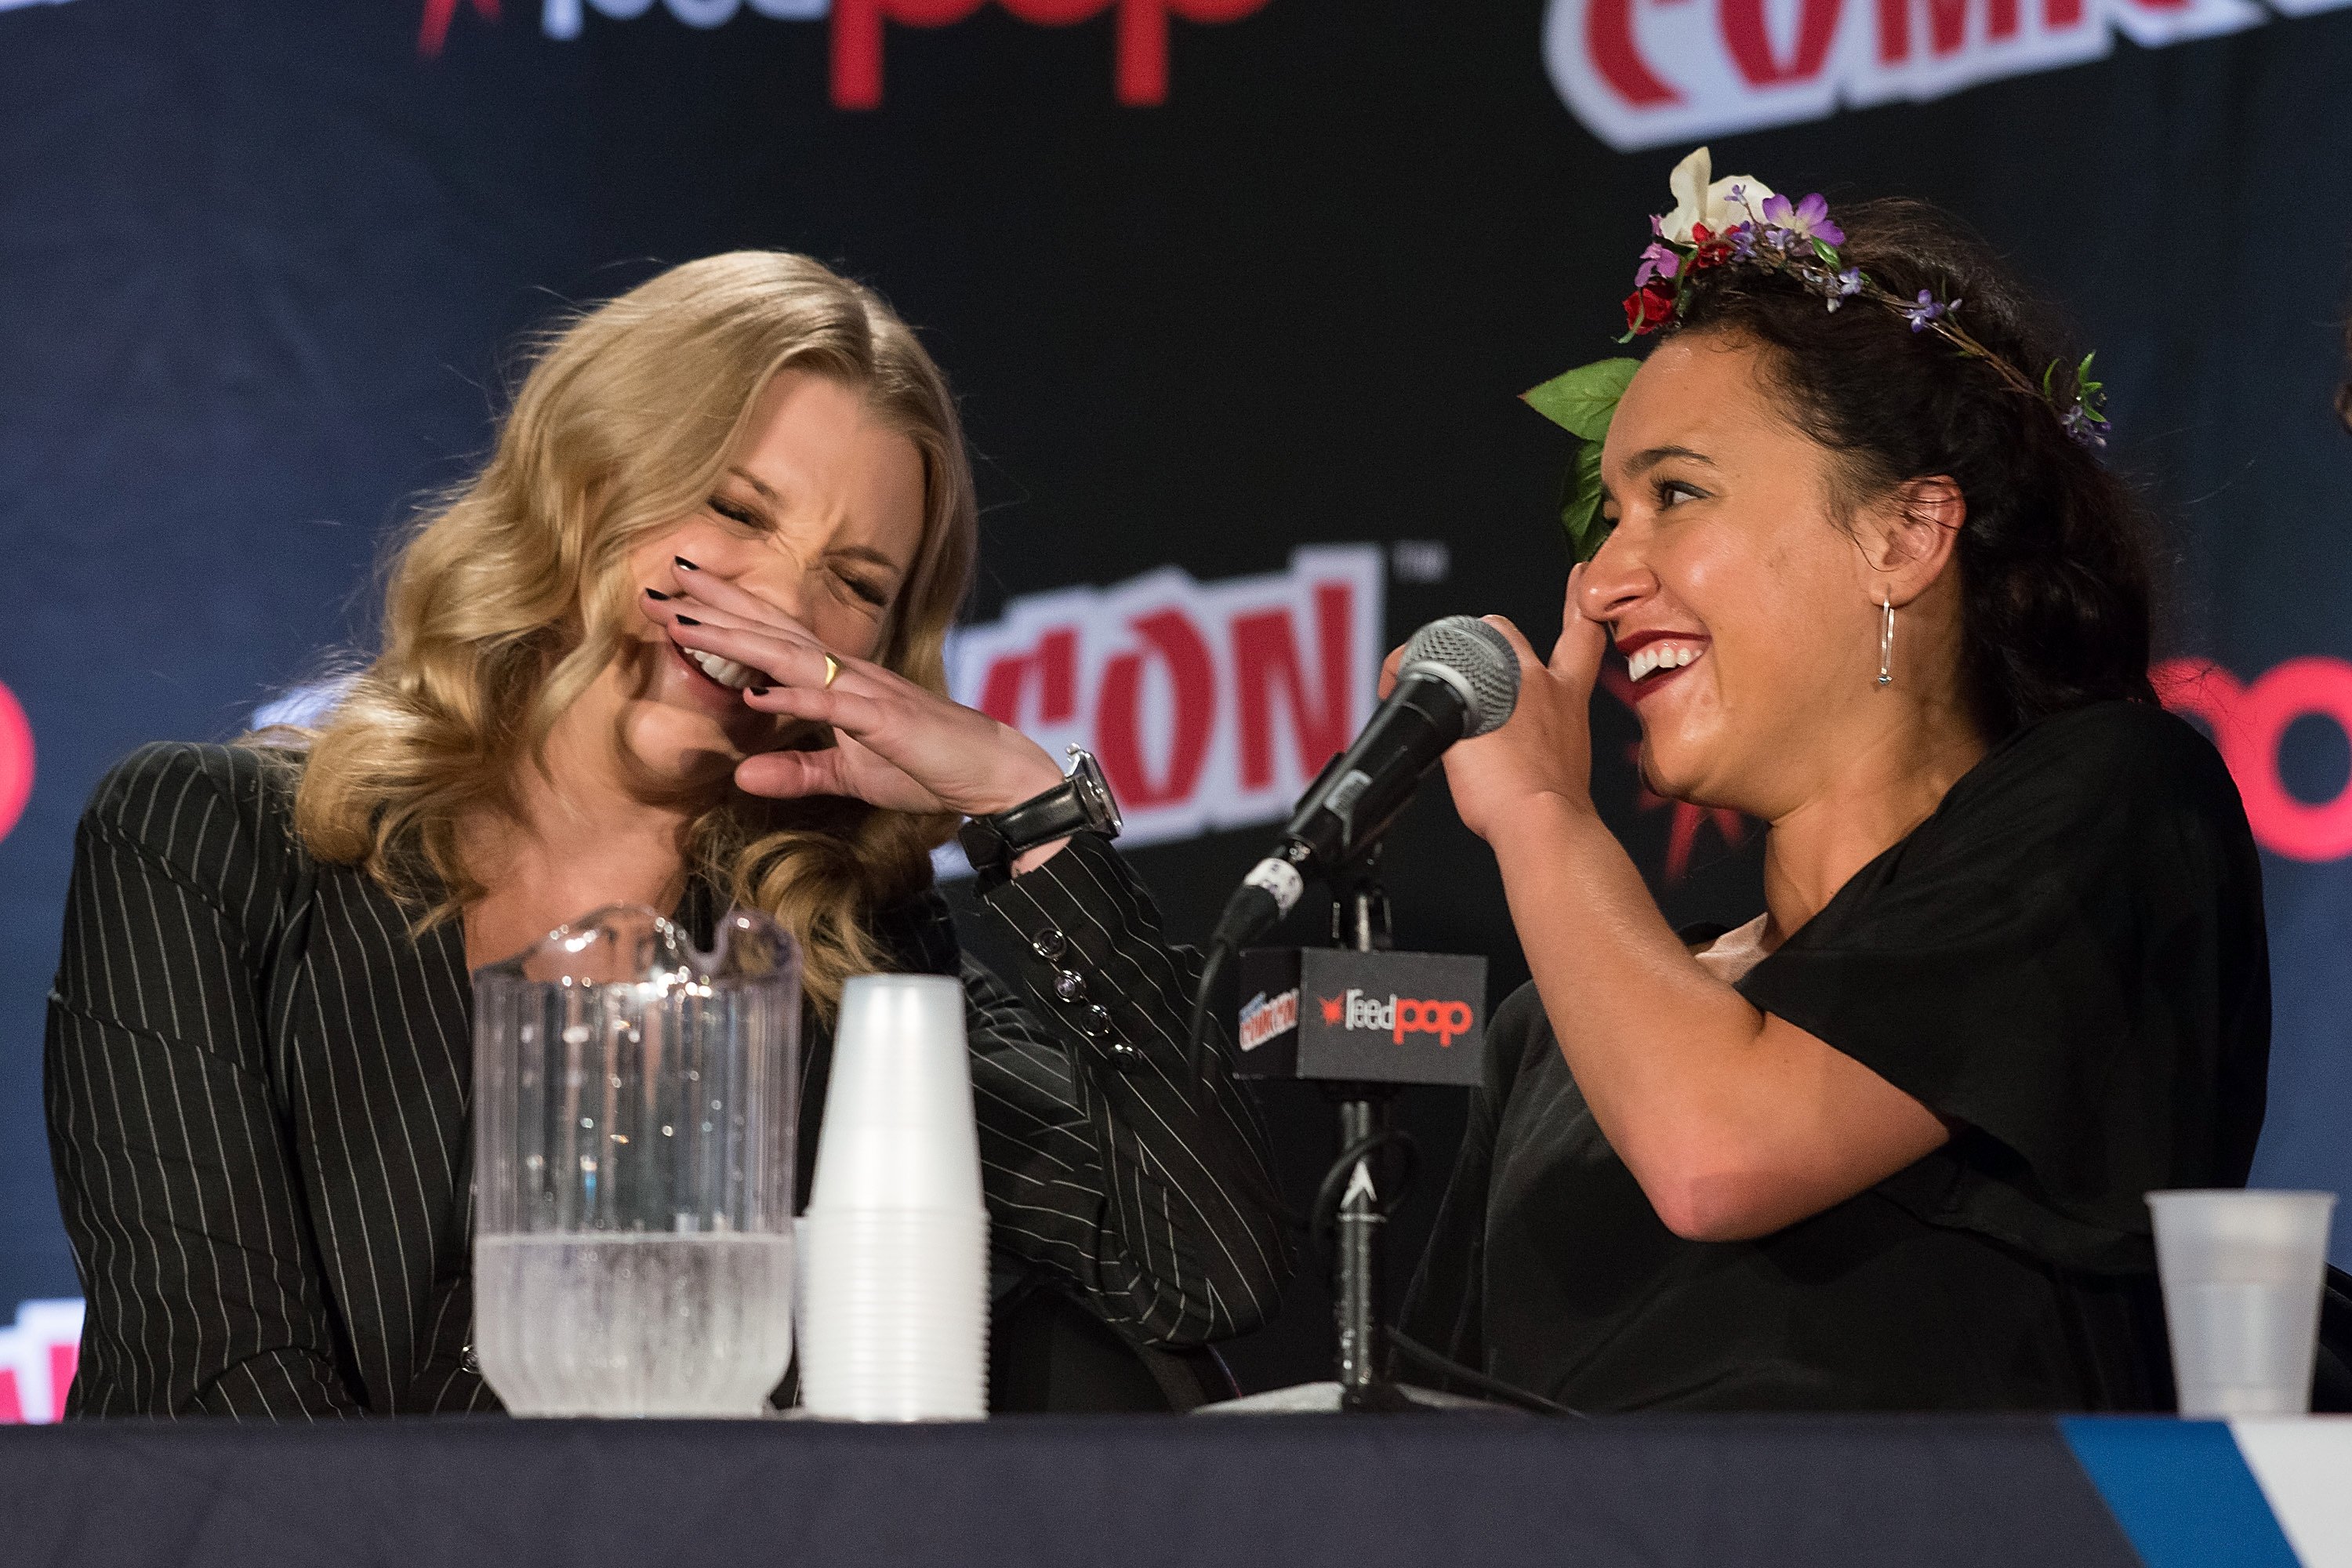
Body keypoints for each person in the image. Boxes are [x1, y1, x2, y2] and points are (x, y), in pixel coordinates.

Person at [45, 252, 1287, 1417]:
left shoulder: (843, 955)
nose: (780, 602)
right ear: (586, 478)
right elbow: (215, 1381)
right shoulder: (207, 840)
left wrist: (1030, 807)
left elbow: (1197, 1269)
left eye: (856, 583)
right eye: (736, 509)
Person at [1399, 151, 2269, 1411]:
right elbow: (1422, 1462)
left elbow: (1717, 1153)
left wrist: (1540, 811)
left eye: (1676, 494)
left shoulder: (2120, 805)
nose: (1601, 582)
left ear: (1903, 537)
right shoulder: (1551, 1038)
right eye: (1609, 516)